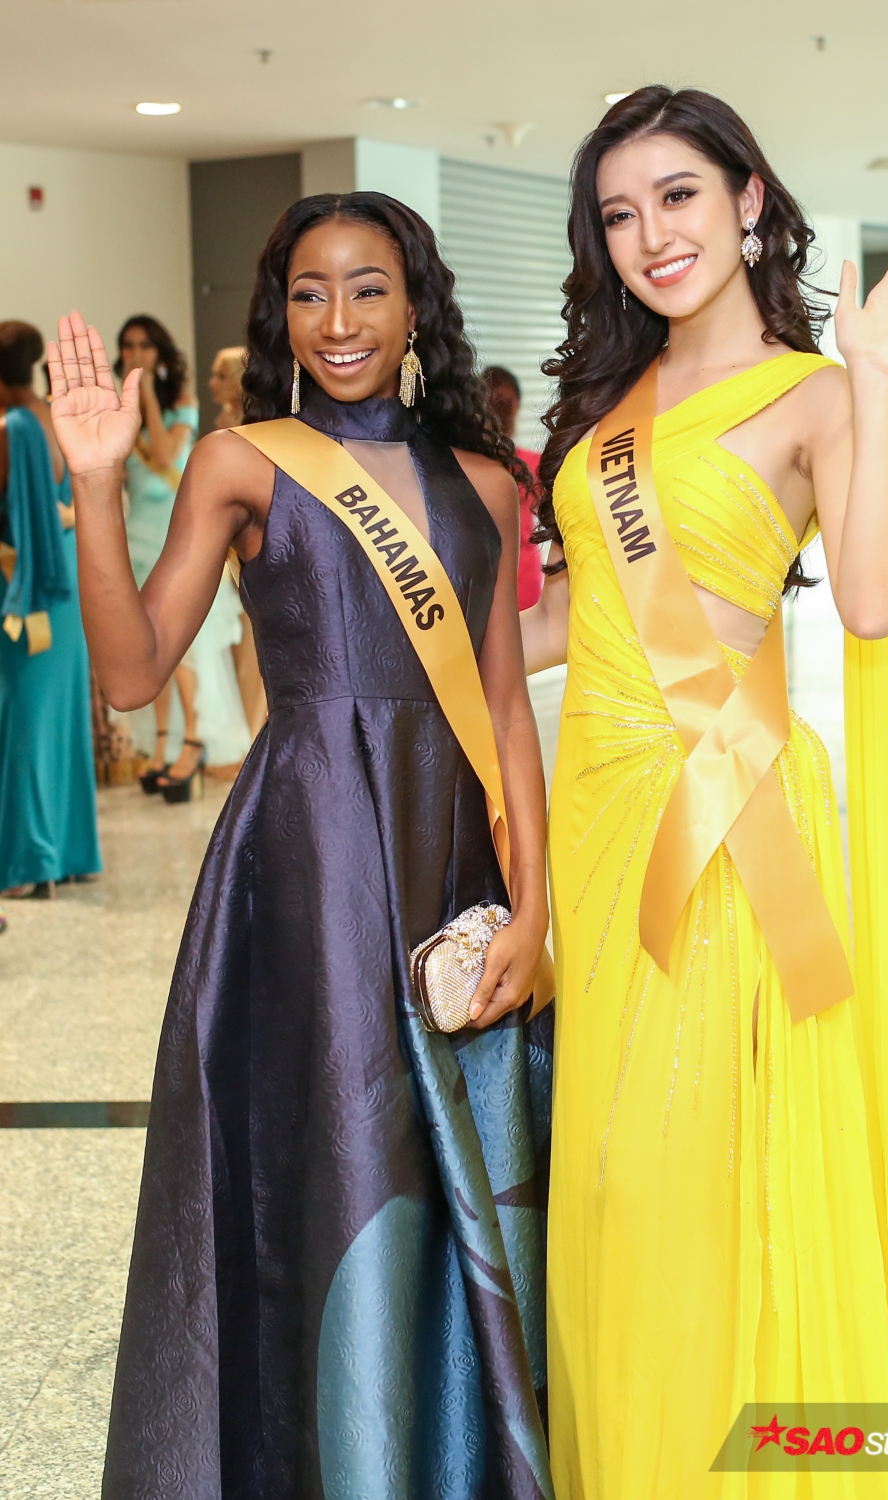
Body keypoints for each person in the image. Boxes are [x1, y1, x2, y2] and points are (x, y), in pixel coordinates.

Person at [50, 190, 552, 1499]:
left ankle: (434, 1458)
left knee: (448, 1178)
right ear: (280, 311)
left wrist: (535, 910)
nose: (339, 319)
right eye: (310, 291)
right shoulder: (244, 462)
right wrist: (95, 487)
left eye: (368, 287)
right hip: (308, 860)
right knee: (327, 1157)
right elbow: (132, 672)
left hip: (449, 862)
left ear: (414, 304)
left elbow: (505, 709)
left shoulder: (483, 481)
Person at [521, 88, 888, 1498]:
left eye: (677, 196)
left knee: (709, 1173)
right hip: (599, 815)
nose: (650, 234)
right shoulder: (604, 411)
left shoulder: (814, 394)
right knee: (614, 1183)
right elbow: (563, 621)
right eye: (619, 213)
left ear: (748, 202)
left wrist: (876, 377)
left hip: (729, 815)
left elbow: (874, 602)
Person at [116, 316, 249, 795]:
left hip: (174, 533)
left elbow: (167, 456)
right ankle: (162, 745)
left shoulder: (184, 405)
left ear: (160, 352)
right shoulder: (120, 408)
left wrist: (148, 395)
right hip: (137, 537)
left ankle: (192, 742)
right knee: (144, 641)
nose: (136, 353)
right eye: (128, 345)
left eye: (145, 345)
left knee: (184, 644)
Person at [0, 321, 100, 897]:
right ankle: (73, 852)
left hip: (25, 577)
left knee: (23, 720)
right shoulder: (52, 415)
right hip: (64, 572)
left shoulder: (12, 426)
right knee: (60, 718)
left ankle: (31, 863)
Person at [209, 344, 268, 737]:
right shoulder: (222, 423)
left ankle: (253, 734)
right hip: (222, 548)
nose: (211, 383)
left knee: (253, 649)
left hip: (250, 548)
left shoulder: (255, 425)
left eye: (219, 375)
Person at [484, 366, 544, 609]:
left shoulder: (467, 466)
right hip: (521, 580)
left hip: (491, 580)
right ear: (517, 406)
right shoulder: (533, 465)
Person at [208, 345, 247, 431]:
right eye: (214, 375)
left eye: (222, 377)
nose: (212, 383)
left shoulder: (260, 420)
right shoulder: (225, 416)